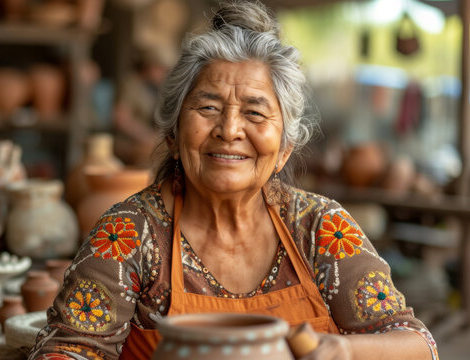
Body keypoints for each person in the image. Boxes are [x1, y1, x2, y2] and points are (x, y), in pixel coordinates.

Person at [28, 1, 438, 359]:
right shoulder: (129, 235)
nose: (229, 129)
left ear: (284, 150)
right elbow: (69, 351)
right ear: (172, 136)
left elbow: (417, 344)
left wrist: (345, 351)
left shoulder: (321, 228)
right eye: (208, 107)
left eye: (255, 113)